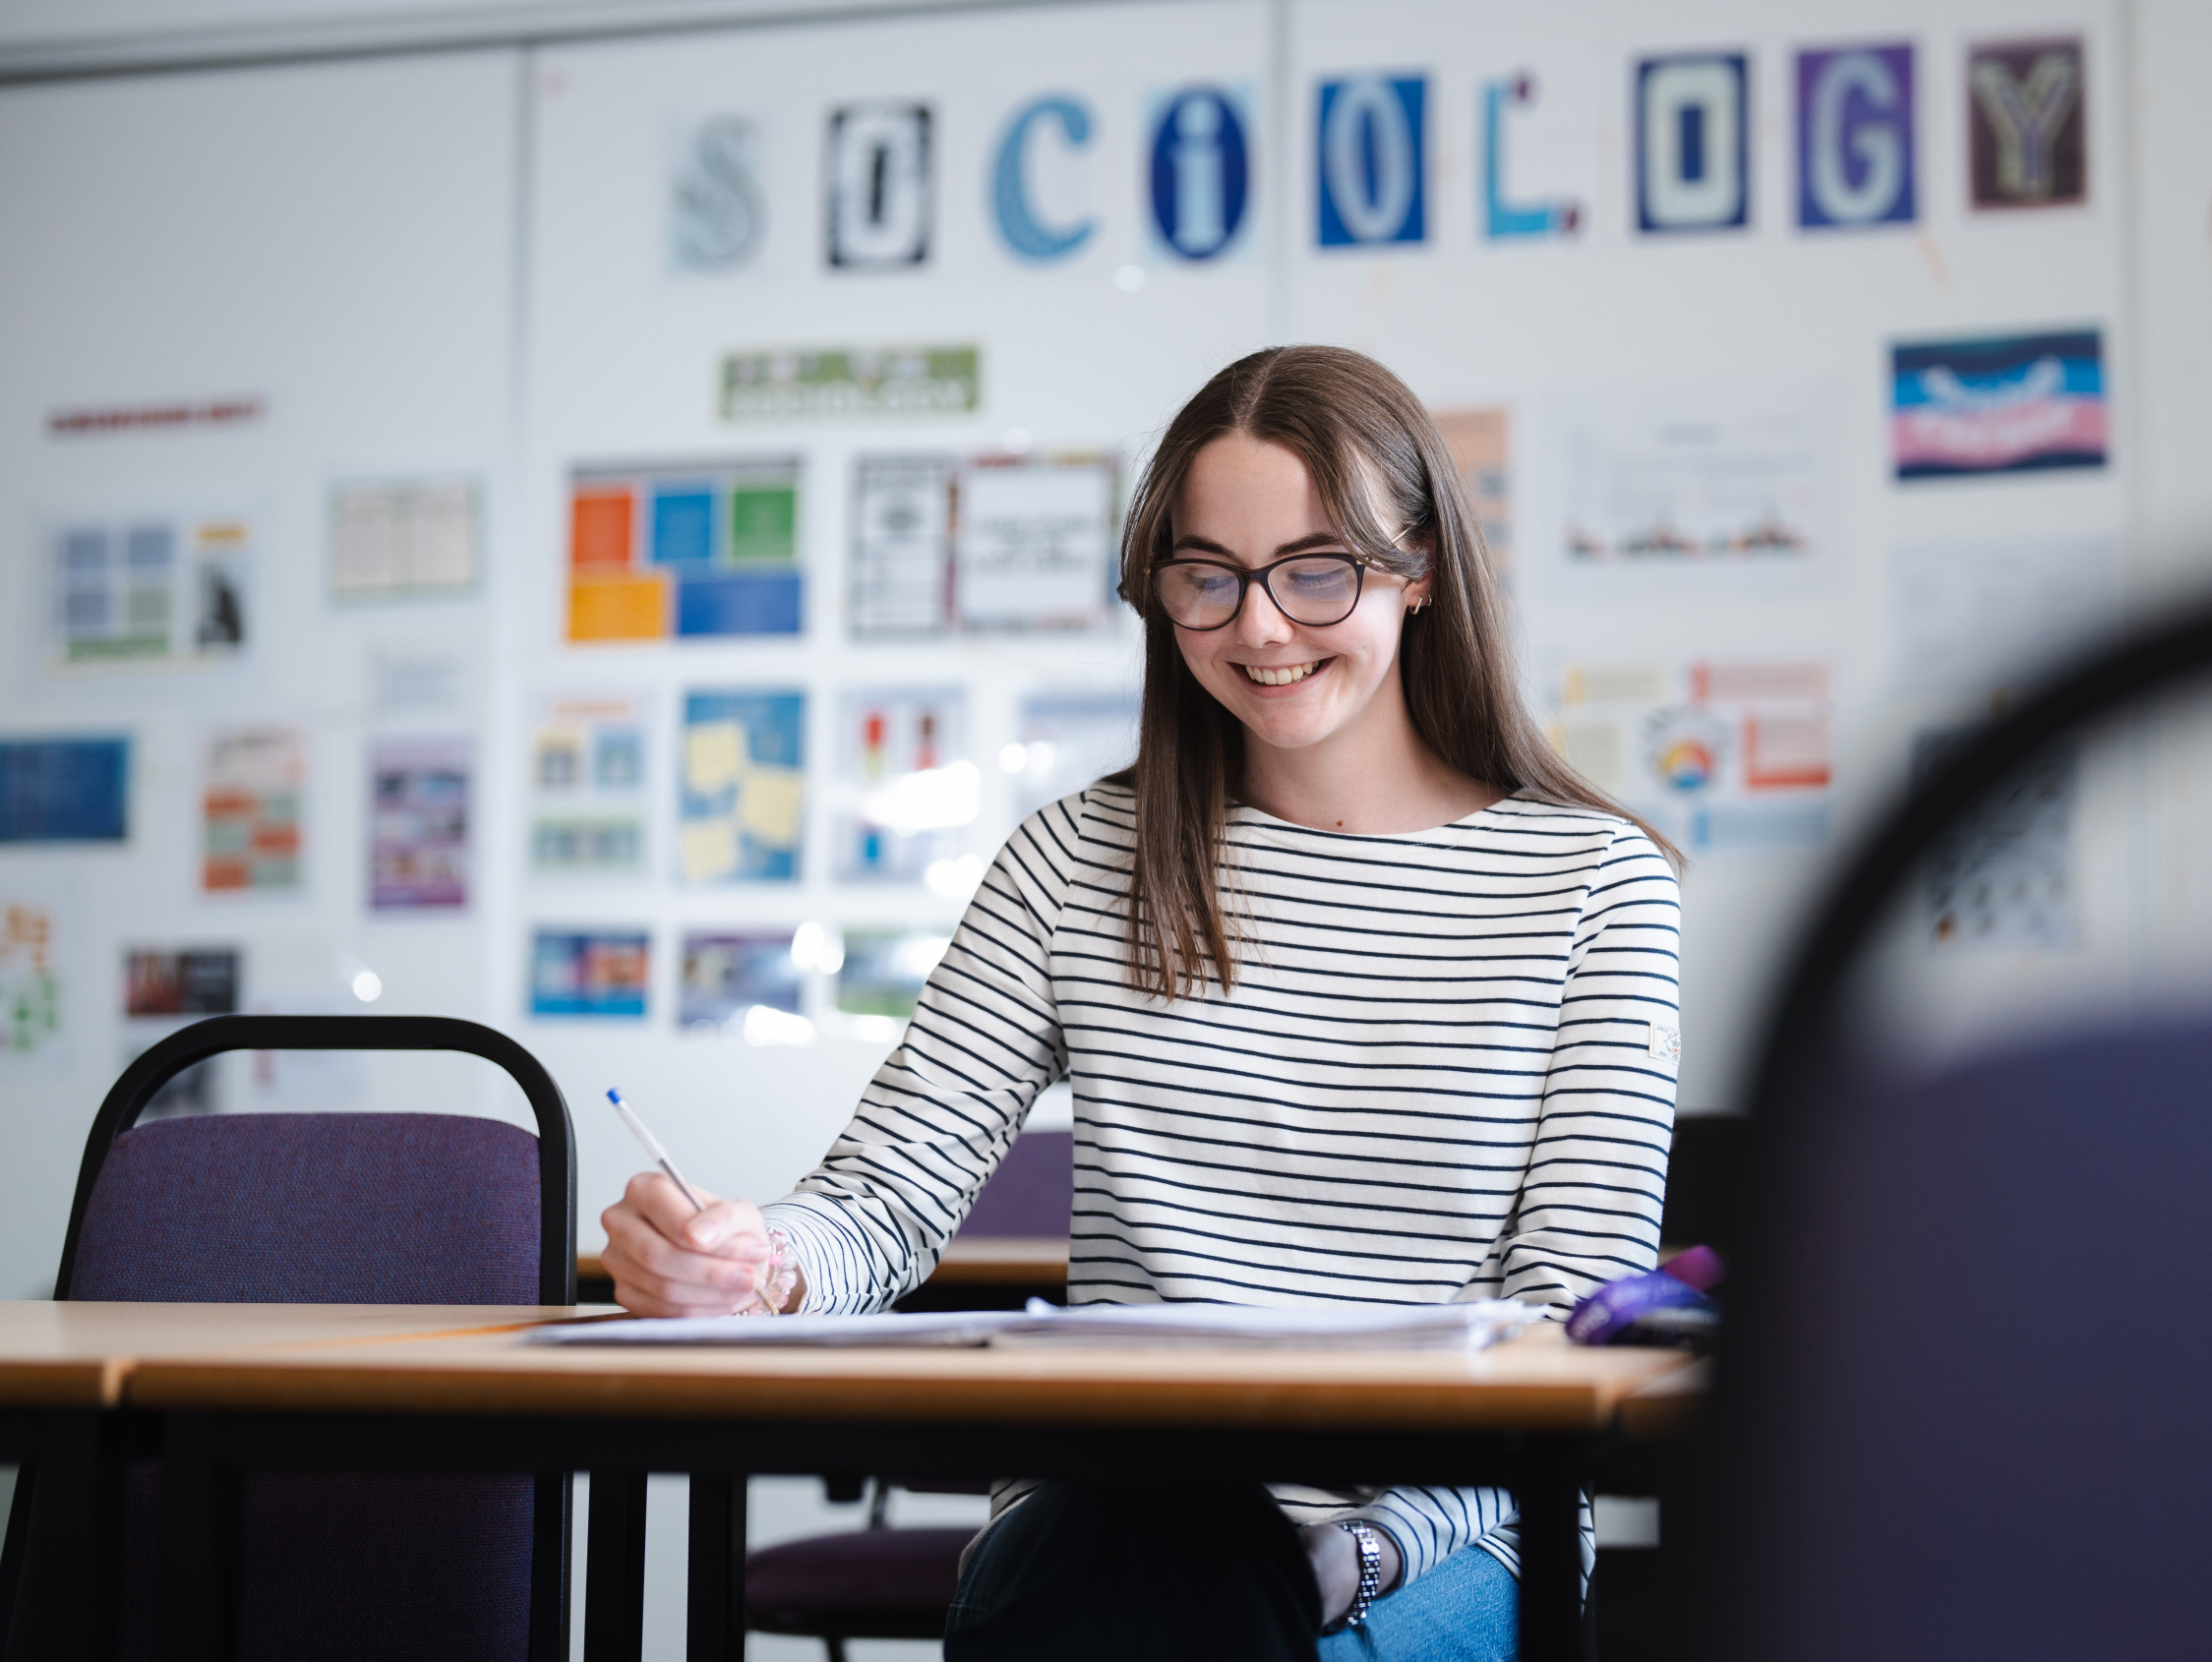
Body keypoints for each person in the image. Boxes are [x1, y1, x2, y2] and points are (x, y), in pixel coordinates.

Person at [599, 345, 1683, 1662]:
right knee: (1155, 1566)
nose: (1259, 627)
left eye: (1316, 570)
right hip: (1111, 1527)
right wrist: (747, 1266)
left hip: (1446, 1543)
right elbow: (882, 1202)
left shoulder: (1593, 884)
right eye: (1207, 576)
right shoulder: (1073, 861)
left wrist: (1361, 1552)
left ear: (1419, 571)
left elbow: (1569, 1322)